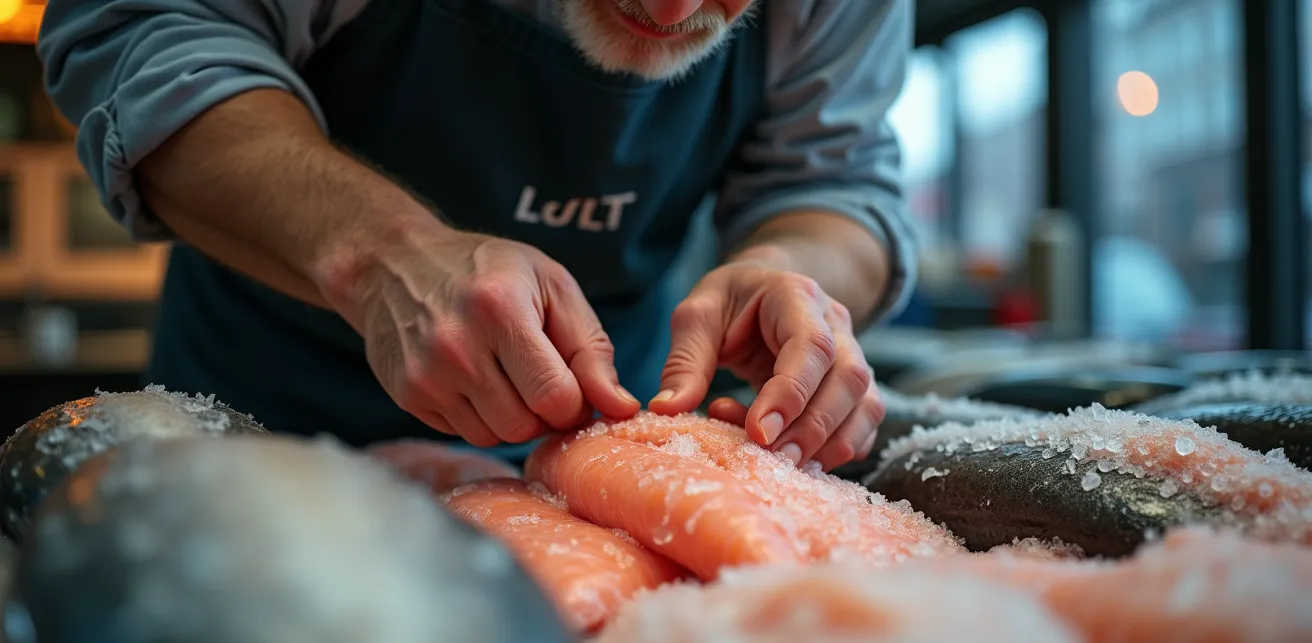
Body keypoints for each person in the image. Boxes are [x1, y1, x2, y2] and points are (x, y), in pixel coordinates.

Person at [36, 0, 918, 471]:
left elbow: (832, 181)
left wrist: (792, 271)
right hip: (253, 426)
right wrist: (384, 260)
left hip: (593, 458)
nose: (671, 4)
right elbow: (146, 33)